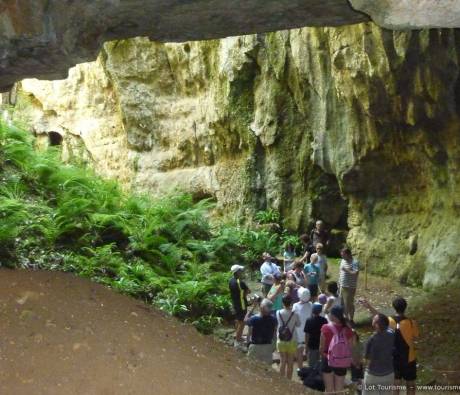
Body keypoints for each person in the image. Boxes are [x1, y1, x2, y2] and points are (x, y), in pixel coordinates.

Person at [360, 297, 419, 395]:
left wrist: (368, 306)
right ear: (405, 307)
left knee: (395, 385)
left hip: (394, 358)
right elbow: (415, 338)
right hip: (409, 358)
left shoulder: (390, 321)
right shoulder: (412, 323)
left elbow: (378, 316)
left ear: (394, 307)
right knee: (411, 384)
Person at [320, 305, 353, 394]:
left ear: (334, 316)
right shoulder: (348, 329)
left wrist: (324, 355)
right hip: (342, 361)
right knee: (339, 389)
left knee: (329, 390)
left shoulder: (325, 328)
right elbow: (350, 347)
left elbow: (321, 348)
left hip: (327, 359)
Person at [363, 313, 395, 395]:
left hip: (373, 376)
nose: (372, 319)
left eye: (374, 319)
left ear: (376, 325)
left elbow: (367, 360)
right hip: (389, 373)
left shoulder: (372, 340)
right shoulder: (392, 334)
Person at [244, 298, 277, 364]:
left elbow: (245, 320)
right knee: (266, 369)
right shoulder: (274, 319)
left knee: (251, 367)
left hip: (255, 346)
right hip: (267, 346)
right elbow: (274, 334)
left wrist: (252, 308)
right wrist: (274, 345)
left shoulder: (254, 319)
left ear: (261, 307)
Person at [276, 294, 301, 380]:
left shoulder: (278, 312)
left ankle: (281, 381)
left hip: (281, 340)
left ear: (282, 302)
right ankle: (288, 382)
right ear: (291, 303)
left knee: (282, 361)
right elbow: (298, 324)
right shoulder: (295, 314)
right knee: (290, 362)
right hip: (292, 340)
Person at [228, 265, 250, 347]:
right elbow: (248, 291)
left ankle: (236, 334)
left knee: (237, 319)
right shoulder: (240, 282)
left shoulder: (230, 281)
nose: (242, 272)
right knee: (242, 321)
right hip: (242, 304)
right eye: (240, 270)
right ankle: (238, 338)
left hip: (235, 303)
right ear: (237, 272)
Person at [293, 287, 312, 369]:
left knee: (299, 352)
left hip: (299, 333)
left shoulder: (295, 305)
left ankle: (300, 368)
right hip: (309, 332)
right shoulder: (311, 305)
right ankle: (310, 367)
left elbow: (293, 317)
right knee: (309, 351)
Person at [339, 248, 360, 323]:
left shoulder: (354, 262)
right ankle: (344, 319)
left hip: (350, 287)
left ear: (348, 254)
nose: (342, 256)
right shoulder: (343, 260)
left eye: (343, 255)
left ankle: (350, 320)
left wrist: (346, 270)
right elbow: (341, 273)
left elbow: (356, 273)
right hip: (342, 285)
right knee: (342, 303)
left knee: (349, 304)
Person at [304, 302, 328, 369]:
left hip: (311, 345)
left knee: (311, 365)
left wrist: (306, 346)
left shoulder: (309, 320)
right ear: (320, 311)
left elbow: (307, 334)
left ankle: (312, 378)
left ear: (312, 310)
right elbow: (326, 334)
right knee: (322, 365)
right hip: (322, 345)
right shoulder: (324, 320)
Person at [351, 330, 364, 394]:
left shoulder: (360, 343)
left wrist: (358, 363)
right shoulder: (349, 344)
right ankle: (355, 391)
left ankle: (360, 392)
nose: (353, 336)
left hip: (359, 363)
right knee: (354, 380)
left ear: (356, 335)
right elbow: (349, 355)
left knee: (360, 380)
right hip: (352, 364)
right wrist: (354, 363)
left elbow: (362, 355)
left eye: (354, 335)